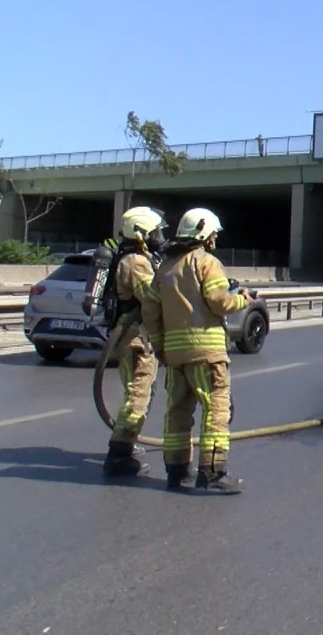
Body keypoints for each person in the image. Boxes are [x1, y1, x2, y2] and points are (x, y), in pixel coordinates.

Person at [142, 207, 252, 493]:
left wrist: (159, 346)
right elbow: (219, 302)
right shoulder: (206, 262)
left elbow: (150, 309)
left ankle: (177, 472)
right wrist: (242, 300)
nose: (215, 239)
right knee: (216, 410)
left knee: (177, 412)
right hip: (207, 353)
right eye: (213, 234)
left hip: (175, 356)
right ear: (205, 233)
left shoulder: (165, 267)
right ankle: (213, 472)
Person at [101, 206, 170, 478]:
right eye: (155, 232)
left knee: (137, 391)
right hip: (136, 338)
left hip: (132, 336)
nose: (159, 236)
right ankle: (119, 454)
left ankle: (125, 444)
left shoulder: (134, 257)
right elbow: (152, 298)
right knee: (139, 393)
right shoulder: (136, 262)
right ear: (141, 234)